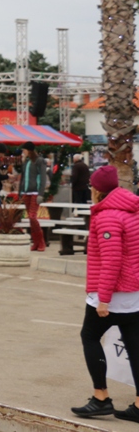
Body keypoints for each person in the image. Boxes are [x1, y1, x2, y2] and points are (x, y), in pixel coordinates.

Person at [71, 165, 139, 422]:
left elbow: (111, 261)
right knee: (134, 345)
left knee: (89, 336)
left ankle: (101, 397)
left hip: (112, 293)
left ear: (97, 190)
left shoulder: (109, 216)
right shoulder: (132, 209)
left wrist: (104, 299)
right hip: (133, 293)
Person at [18, 141, 46, 252]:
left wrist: (41, 193)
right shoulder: (26, 161)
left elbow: (43, 178)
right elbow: (23, 178)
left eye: (24, 150)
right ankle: (36, 242)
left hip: (35, 192)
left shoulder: (39, 161)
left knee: (32, 216)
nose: (23, 152)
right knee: (30, 219)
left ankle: (41, 241)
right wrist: (20, 191)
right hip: (26, 193)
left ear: (29, 150)